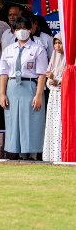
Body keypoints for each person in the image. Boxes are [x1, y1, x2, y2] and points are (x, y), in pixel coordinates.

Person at [0, 15, 48, 160]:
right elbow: (3, 73)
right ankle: (17, 153)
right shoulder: (8, 50)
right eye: (19, 28)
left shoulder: (38, 49)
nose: (22, 31)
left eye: (25, 28)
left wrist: (39, 95)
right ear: (13, 31)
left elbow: (42, 74)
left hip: (31, 86)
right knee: (14, 119)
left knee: (32, 119)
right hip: (13, 87)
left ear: (31, 30)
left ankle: (32, 154)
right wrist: (2, 93)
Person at [43, 33, 65, 162]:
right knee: (53, 126)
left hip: (65, 96)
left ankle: (62, 155)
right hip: (54, 97)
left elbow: (71, 78)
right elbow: (49, 76)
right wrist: (51, 82)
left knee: (61, 126)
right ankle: (52, 156)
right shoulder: (54, 57)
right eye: (55, 43)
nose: (57, 46)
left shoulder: (70, 58)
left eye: (60, 43)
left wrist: (56, 79)